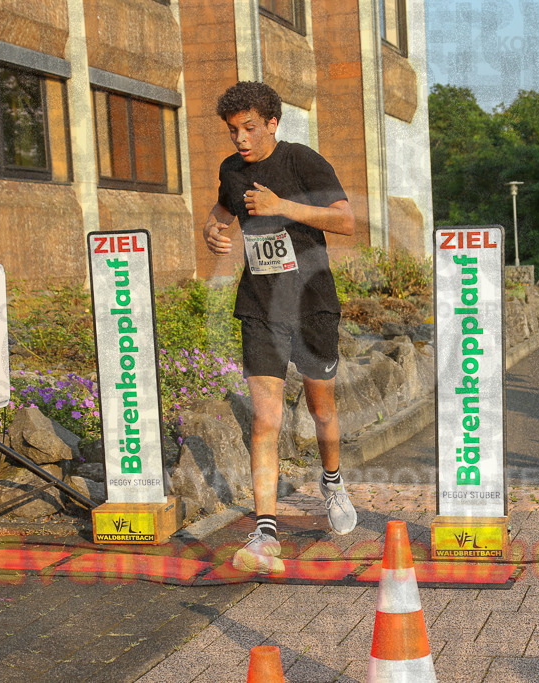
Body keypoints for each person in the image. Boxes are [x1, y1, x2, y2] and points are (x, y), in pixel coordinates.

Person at [202, 82, 357, 574]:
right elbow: (222, 210)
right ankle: (265, 531)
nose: (240, 139)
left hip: (312, 306)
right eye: (233, 131)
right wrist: (212, 229)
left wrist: (282, 206)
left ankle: (332, 481)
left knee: (321, 410)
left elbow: (346, 221)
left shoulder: (301, 161)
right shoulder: (231, 170)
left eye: (249, 128)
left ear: (272, 123)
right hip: (260, 306)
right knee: (265, 420)